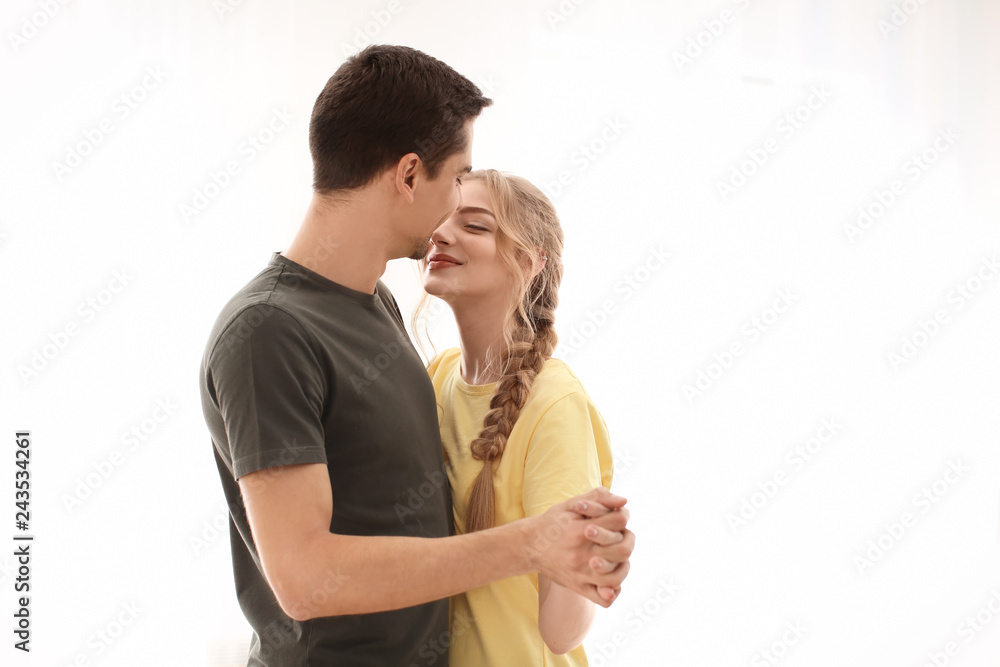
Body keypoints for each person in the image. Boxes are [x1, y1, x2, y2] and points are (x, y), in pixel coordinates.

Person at [198, 44, 634, 666]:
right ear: (407, 175)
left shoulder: (376, 302)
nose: (455, 207)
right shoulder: (268, 329)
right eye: (457, 178)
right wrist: (532, 544)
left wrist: (574, 550)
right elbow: (303, 576)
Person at [419, 170, 616, 665]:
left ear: (529, 262)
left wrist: (593, 558)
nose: (440, 233)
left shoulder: (554, 403)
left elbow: (561, 632)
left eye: (476, 226)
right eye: (442, 219)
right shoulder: (438, 376)